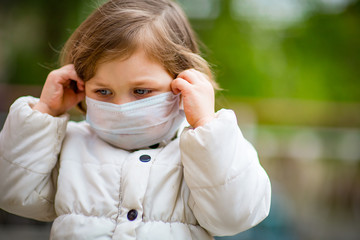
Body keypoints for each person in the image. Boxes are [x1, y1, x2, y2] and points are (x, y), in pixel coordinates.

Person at [0, 0, 271, 239]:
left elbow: (234, 217)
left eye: (141, 91)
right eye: (103, 91)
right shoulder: (67, 145)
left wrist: (206, 127)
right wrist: (45, 111)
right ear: (80, 86)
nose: (121, 107)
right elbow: (12, 192)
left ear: (184, 82)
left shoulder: (205, 151)